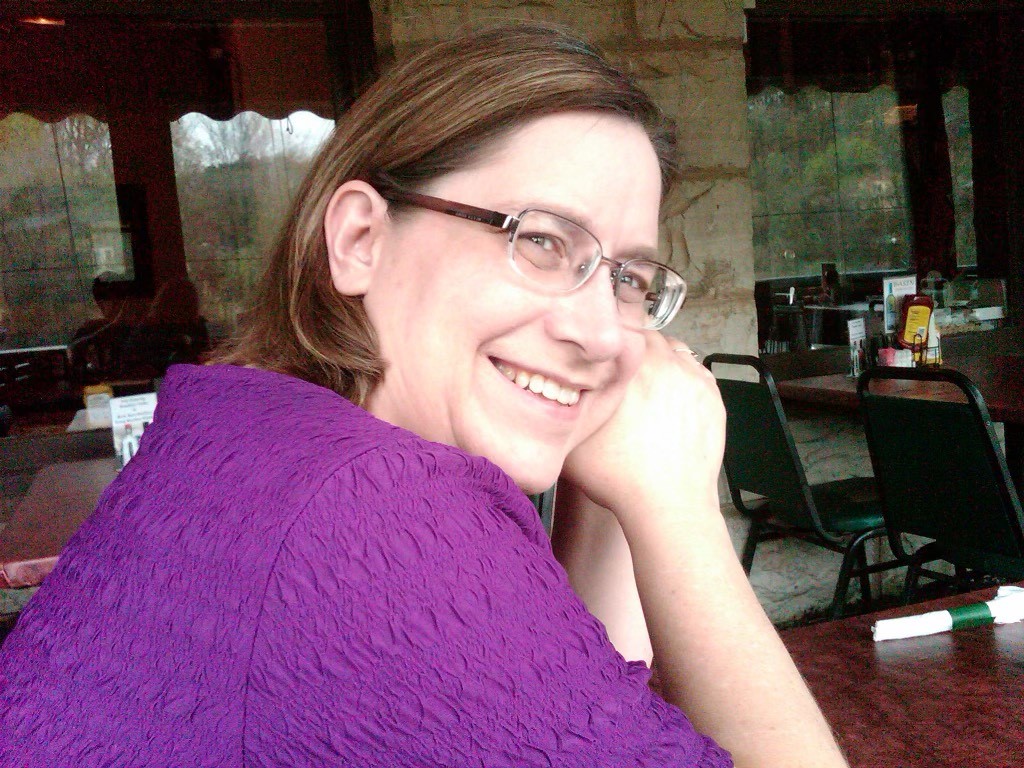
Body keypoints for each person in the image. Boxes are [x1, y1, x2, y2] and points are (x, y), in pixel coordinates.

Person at [0, 24, 847, 768]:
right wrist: (680, 511)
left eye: (628, 278)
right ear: (360, 239)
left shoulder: (244, 430)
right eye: (542, 241)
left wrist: (616, 493)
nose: (601, 333)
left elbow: (576, 709)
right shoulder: (373, 509)